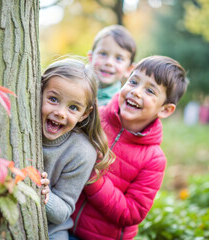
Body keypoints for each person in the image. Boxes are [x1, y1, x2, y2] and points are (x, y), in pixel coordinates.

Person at [70, 55, 189, 240]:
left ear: (164, 110)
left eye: (150, 91)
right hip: (62, 224)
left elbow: (132, 213)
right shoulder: (95, 117)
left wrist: (94, 179)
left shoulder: (153, 159)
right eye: (133, 82)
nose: (136, 92)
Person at [41, 57, 115, 240]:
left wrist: (45, 195)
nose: (60, 112)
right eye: (53, 99)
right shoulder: (25, 124)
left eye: (73, 107)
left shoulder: (82, 151)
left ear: (85, 114)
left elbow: (63, 212)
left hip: (52, 231)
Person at [88, 25, 137, 106]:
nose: (109, 62)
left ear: (129, 69)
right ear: (91, 57)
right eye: (103, 54)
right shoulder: (75, 88)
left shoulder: (121, 105)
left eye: (119, 58)